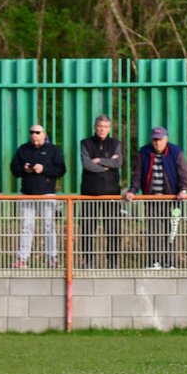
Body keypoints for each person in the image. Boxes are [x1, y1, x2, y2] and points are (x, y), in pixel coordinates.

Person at [126, 126, 187, 269]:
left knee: (171, 231)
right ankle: (154, 261)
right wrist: (133, 190)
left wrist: (183, 189)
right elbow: (138, 173)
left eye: (160, 139)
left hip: (172, 199)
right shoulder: (144, 152)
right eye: (155, 139)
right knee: (153, 231)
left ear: (166, 139)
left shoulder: (175, 152)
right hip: (152, 199)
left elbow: (183, 172)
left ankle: (170, 261)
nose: (157, 142)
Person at [10, 124, 65, 268]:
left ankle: (52, 258)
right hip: (27, 194)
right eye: (32, 133)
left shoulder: (53, 150)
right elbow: (14, 169)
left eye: (38, 133)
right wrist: (24, 169)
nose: (35, 135)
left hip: (47, 193)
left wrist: (44, 169)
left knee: (49, 226)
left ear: (44, 134)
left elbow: (61, 170)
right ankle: (23, 258)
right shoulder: (23, 149)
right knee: (26, 227)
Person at [78, 115, 126, 268]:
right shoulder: (85, 143)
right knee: (87, 228)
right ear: (95, 127)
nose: (102, 130)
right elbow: (87, 164)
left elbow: (117, 162)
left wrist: (99, 160)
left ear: (109, 128)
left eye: (105, 127)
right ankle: (88, 261)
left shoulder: (115, 144)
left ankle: (113, 262)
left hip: (111, 192)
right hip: (89, 192)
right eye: (100, 126)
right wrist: (106, 166)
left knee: (113, 228)